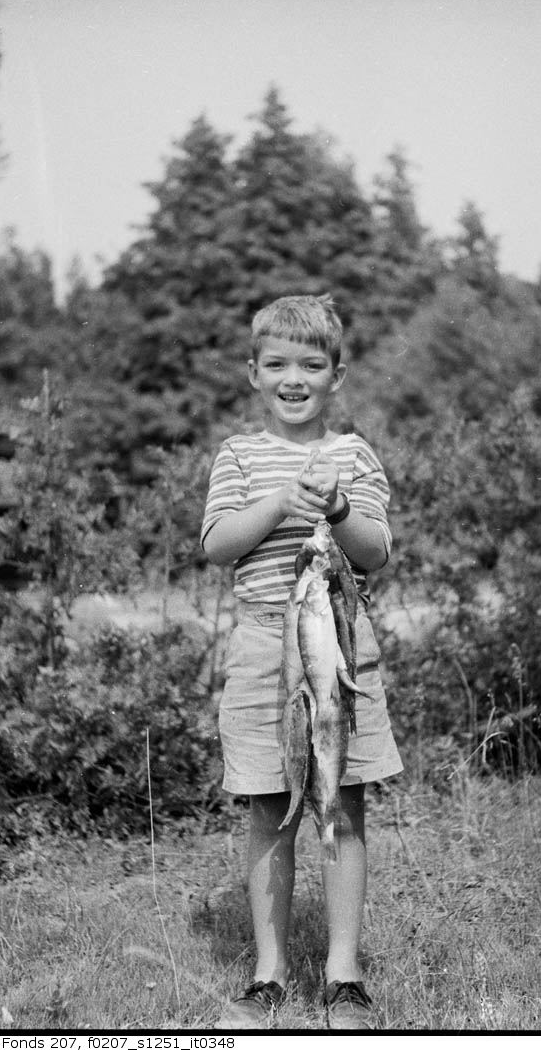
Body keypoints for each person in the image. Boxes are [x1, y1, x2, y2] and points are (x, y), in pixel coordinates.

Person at [201, 294, 403, 1030]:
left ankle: (343, 978)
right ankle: (268, 977)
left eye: (311, 365)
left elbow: (376, 551)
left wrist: (340, 508)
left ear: (336, 376)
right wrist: (284, 499)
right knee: (268, 809)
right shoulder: (238, 456)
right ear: (252, 373)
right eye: (277, 364)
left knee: (342, 804)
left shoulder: (352, 454)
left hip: (340, 649)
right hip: (262, 648)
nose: (294, 379)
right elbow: (218, 543)